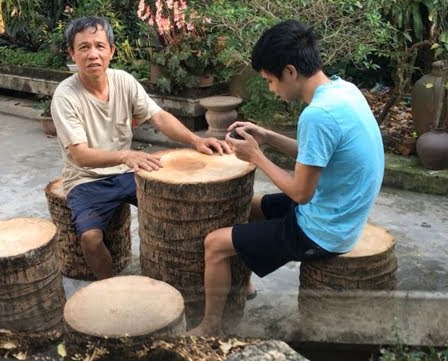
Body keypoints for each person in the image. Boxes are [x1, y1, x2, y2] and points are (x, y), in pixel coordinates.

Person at [187, 19, 384, 336]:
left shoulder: (317, 115)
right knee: (248, 205)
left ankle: (210, 326)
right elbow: (315, 155)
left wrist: (256, 156)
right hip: (338, 210)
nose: (271, 88)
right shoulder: (343, 90)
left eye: (269, 80)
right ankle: (246, 281)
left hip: (324, 231)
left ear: (290, 71)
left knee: (214, 244)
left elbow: (300, 193)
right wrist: (266, 135)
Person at [51, 16, 230, 280]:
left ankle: (195, 272)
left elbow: (158, 117)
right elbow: (79, 155)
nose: (93, 54)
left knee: (180, 206)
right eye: (84, 47)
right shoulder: (65, 96)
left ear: (111, 51)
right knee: (90, 238)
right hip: (85, 180)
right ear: (72, 53)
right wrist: (126, 155)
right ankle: (112, 288)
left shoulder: (123, 81)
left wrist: (196, 140)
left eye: (100, 46)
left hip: (127, 173)